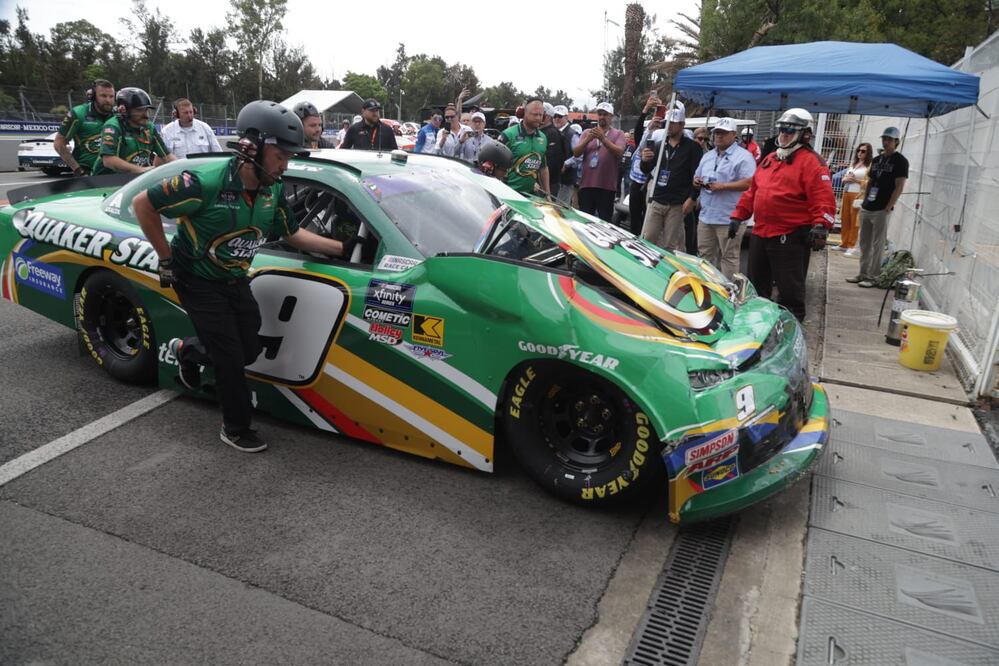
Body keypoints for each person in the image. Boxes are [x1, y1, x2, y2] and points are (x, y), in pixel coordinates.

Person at [133, 101, 350, 453]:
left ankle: (188, 351)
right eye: (281, 155)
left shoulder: (273, 189)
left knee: (249, 348)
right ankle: (235, 427)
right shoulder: (203, 182)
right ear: (252, 147)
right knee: (231, 359)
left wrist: (342, 248)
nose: (286, 165)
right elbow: (143, 204)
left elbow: (292, 234)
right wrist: (166, 258)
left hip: (234, 278)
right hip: (196, 278)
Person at [730, 108, 836, 320]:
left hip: (790, 235)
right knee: (756, 285)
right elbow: (754, 191)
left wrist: (821, 225)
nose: (784, 134)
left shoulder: (811, 162)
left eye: (790, 130)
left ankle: (792, 325)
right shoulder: (770, 159)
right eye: (782, 129)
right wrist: (738, 215)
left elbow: (822, 196)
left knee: (790, 289)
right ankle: (755, 323)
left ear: (805, 134)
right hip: (762, 232)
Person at [692, 118, 756, 278]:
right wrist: (696, 181)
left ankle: (728, 294)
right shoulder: (708, 155)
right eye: (717, 133)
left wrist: (724, 186)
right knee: (704, 256)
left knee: (728, 258)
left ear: (734, 135)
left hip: (729, 217)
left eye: (723, 133)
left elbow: (750, 182)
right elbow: (696, 175)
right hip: (706, 216)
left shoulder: (744, 156)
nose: (719, 136)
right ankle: (707, 289)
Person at [848, 128, 908, 287]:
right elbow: (870, 182)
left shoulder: (900, 161)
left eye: (889, 139)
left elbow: (899, 186)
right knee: (864, 242)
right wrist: (865, 199)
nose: (886, 141)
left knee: (878, 244)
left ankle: (873, 277)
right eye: (884, 138)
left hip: (882, 208)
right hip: (868, 205)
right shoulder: (877, 159)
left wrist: (889, 207)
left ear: (896, 141)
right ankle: (863, 273)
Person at [638, 101, 700, 251]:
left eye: (673, 123)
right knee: (648, 239)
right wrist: (644, 161)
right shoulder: (660, 145)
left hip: (677, 204)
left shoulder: (692, 148)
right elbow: (646, 169)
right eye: (667, 123)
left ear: (682, 124)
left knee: (670, 245)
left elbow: (697, 176)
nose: (669, 126)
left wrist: (692, 198)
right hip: (657, 199)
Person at [93, 87, 176, 175]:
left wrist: (184, 168)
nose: (145, 115)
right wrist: (141, 170)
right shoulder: (113, 126)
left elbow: (167, 156)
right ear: (123, 110)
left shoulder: (149, 127)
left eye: (146, 110)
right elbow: (108, 160)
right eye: (139, 110)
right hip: (104, 182)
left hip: (133, 181)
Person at [573, 101, 626, 221]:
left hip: (606, 187)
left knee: (604, 222)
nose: (602, 117)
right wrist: (588, 140)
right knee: (585, 221)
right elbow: (576, 153)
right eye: (600, 114)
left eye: (605, 114)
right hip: (586, 185)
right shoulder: (587, 132)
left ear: (611, 117)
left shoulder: (618, 134)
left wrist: (603, 139)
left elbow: (619, 152)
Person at [54, 79, 115, 176]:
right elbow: (59, 143)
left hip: (114, 173)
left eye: (111, 96)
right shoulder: (78, 114)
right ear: (94, 96)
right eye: (103, 96)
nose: (108, 100)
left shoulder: (118, 115)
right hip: (87, 174)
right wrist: (78, 170)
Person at [499, 98, 550, 196]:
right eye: (535, 114)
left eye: (541, 115)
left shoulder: (543, 138)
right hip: (507, 193)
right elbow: (495, 165)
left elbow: (543, 168)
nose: (538, 118)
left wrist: (547, 194)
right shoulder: (508, 134)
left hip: (531, 196)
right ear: (525, 114)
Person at [834, 142, 872, 256]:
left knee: (854, 220)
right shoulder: (854, 164)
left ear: (868, 153)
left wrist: (855, 180)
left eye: (863, 151)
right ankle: (844, 243)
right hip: (847, 192)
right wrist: (846, 179)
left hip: (857, 194)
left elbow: (869, 182)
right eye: (859, 150)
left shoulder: (868, 167)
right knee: (845, 218)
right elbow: (844, 178)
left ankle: (852, 245)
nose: (860, 153)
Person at [552, 105, 576, 205]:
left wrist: (566, 164)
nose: (557, 118)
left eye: (560, 116)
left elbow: (579, 155)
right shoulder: (554, 132)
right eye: (555, 116)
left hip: (566, 179)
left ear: (566, 117)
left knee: (560, 209)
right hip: (555, 179)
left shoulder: (572, 134)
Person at [541, 103, 566, 198]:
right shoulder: (538, 132)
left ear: (547, 116)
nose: (538, 116)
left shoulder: (552, 133)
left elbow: (553, 161)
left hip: (549, 182)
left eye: (541, 114)